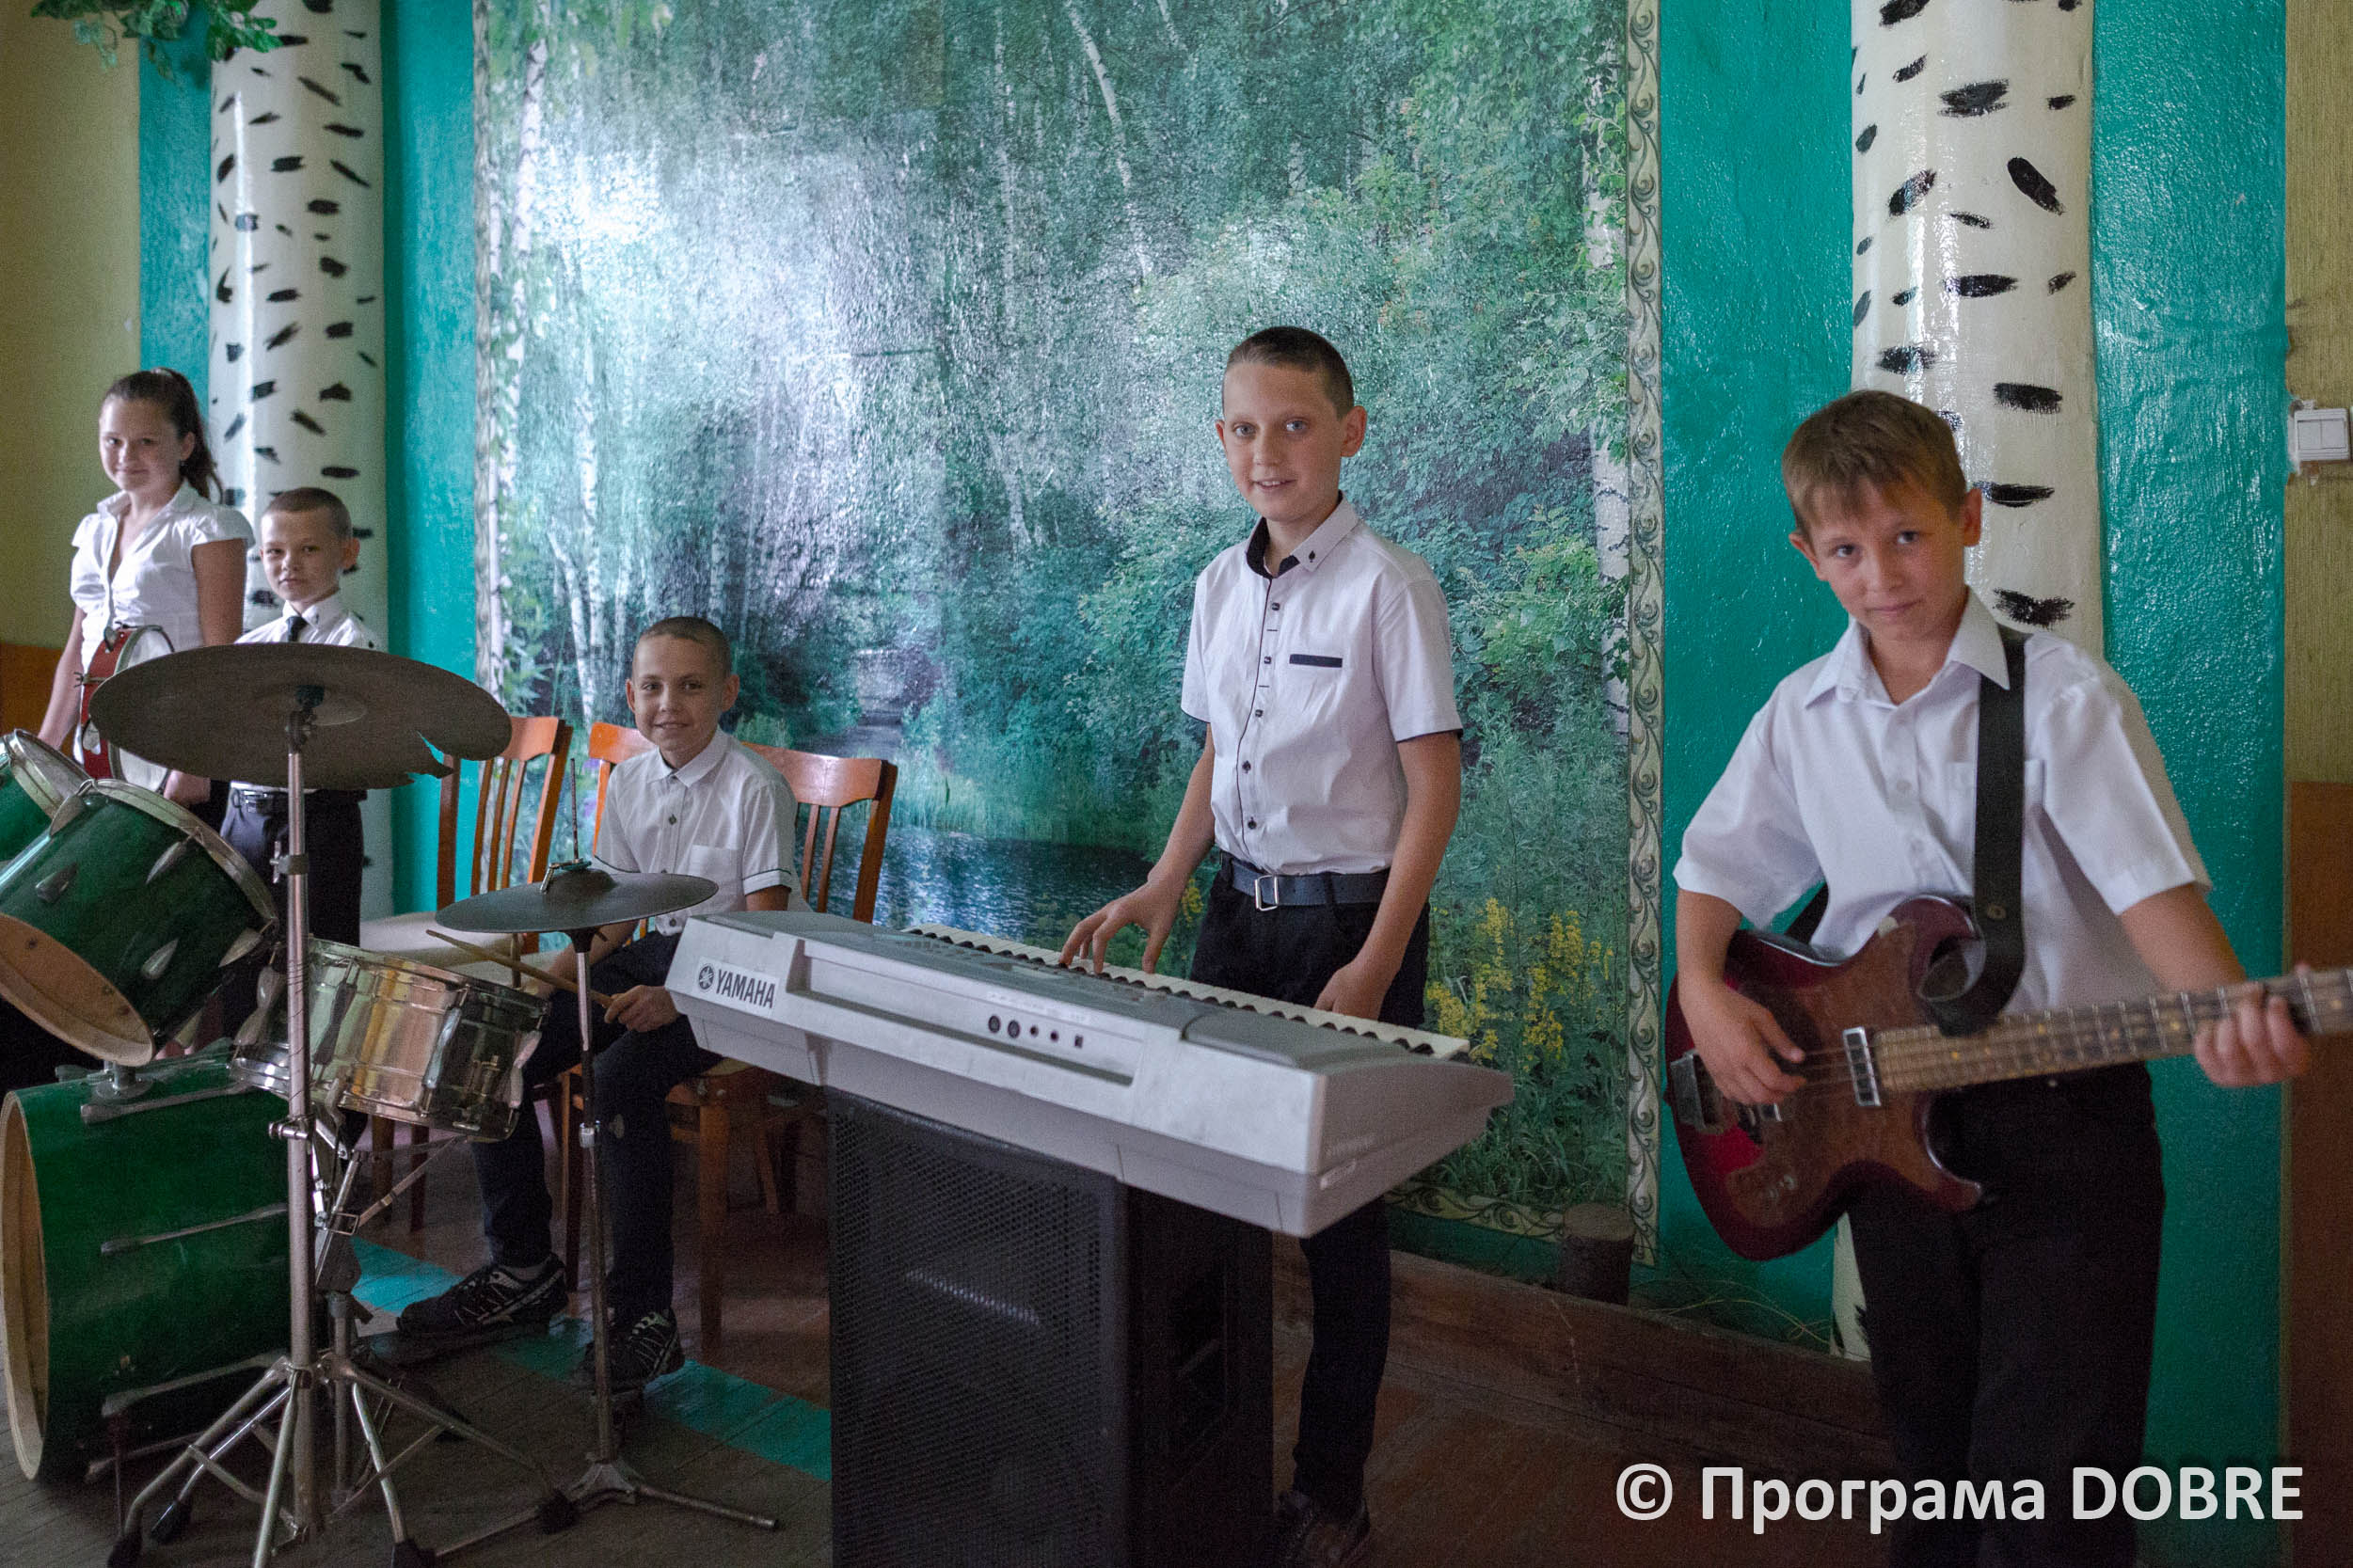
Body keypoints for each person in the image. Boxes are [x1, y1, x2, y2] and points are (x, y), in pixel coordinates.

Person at [1672, 388, 2309, 1567]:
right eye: (1845, 549)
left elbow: (2152, 897)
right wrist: (1704, 991)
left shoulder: (2064, 699)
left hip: (2063, 1138)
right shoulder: (1801, 715)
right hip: (1880, 1138)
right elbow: (1712, 870)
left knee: (2054, 1498)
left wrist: (2227, 1011)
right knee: (1931, 1467)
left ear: (1966, 517)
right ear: (1806, 555)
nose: (1880, 574)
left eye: (1906, 534)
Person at [1062, 326, 1462, 1568]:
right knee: (1196, 1196)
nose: (1265, 450)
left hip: (1349, 926)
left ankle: (1331, 1494)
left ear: (1349, 431)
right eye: (1242, 427)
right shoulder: (1216, 586)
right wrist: (1163, 881)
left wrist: (1374, 965)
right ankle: (1200, 1459)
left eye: (1292, 424)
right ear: (1219, 438)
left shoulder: (1389, 587)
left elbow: (1433, 789)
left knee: (1340, 1223)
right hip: (1236, 916)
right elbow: (1216, 756)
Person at [398, 616, 798, 1391]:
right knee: (498, 1045)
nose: (668, 703)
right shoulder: (633, 780)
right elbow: (614, 915)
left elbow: (767, 933)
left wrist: (678, 998)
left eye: (690, 686)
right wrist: (554, 975)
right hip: (659, 955)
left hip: (741, 978)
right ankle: (522, 1271)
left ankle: (643, 1316)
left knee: (619, 1078)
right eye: (652, 686)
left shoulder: (755, 786)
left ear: (727, 693)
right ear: (630, 694)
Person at [37, 369, 250, 821]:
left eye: (146, 442)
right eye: (113, 441)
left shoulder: (209, 527)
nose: (126, 456)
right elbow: (78, 651)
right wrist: (44, 754)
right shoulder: (94, 530)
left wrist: (193, 763)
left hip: (177, 758)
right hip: (97, 755)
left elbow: (221, 656)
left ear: (185, 446)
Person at [217, 489, 378, 1035]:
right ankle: (245, 1077)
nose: (289, 564)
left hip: (318, 822)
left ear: (347, 553)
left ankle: (317, 1085)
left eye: (308, 549)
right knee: (243, 967)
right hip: (245, 820)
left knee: (317, 973)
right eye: (274, 552)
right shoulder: (250, 647)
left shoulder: (354, 644)